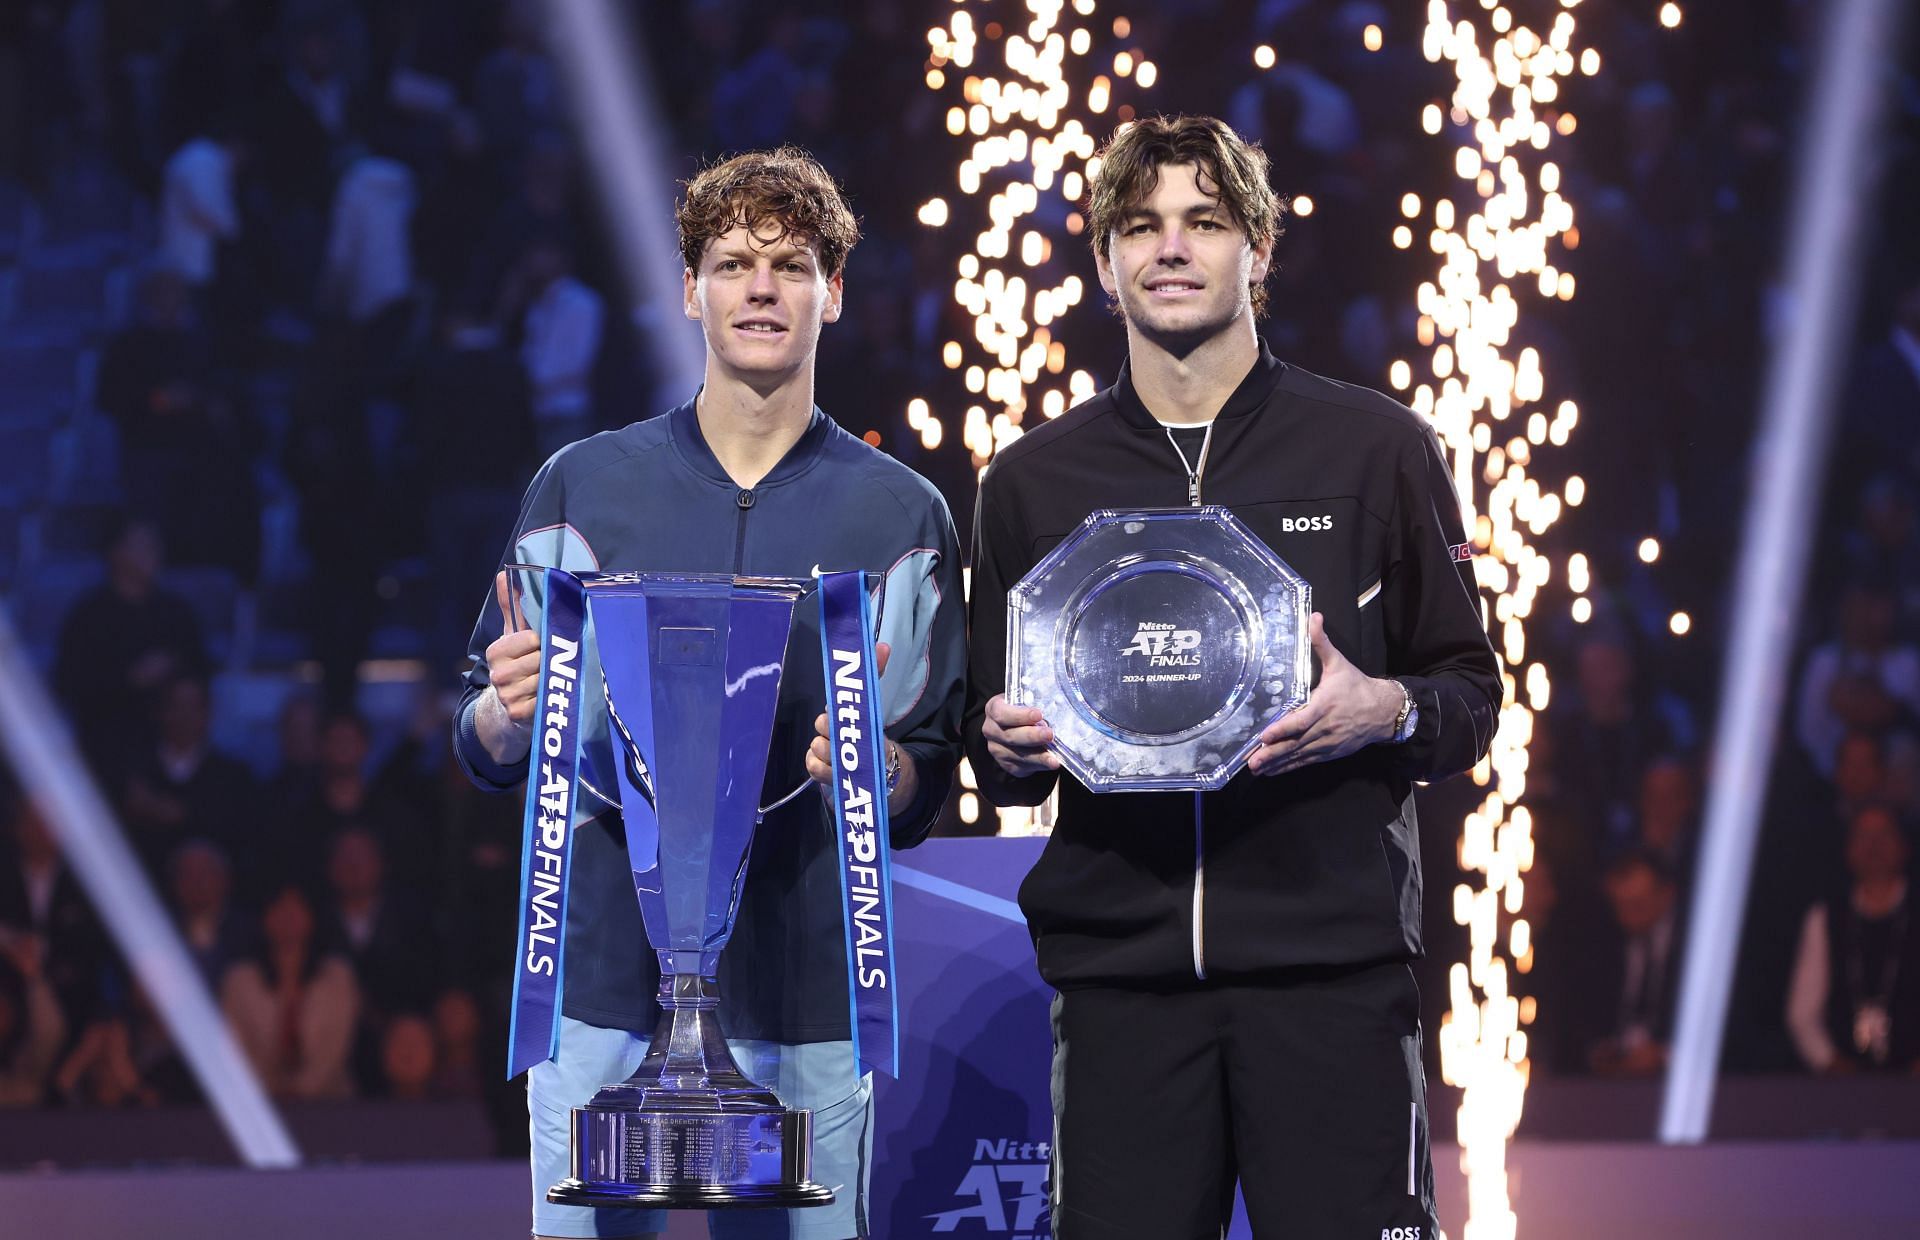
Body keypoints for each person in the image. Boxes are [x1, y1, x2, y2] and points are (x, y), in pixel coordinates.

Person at [964, 114, 1500, 1238]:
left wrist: (1382, 708)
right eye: (1141, 224)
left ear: (1258, 249)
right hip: (1123, 993)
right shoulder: (1029, 484)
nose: (1172, 248)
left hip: (1331, 981)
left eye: (1204, 222)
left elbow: (1469, 693)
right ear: (1105, 262)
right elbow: (994, 742)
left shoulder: (1378, 450)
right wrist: (1001, 745)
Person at [452, 146, 966, 1240]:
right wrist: (508, 706)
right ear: (690, 289)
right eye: (734, 262)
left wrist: (883, 765)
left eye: (791, 263)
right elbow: (485, 738)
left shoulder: (902, 515)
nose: (763, 287)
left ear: (833, 290)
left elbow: (927, 779)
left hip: (812, 989)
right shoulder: (583, 485)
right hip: (597, 986)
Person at [1785, 805, 1920, 1074]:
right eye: (1864, 837)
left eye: (1884, 835)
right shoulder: (1825, 916)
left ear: (1904, 847)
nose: (1874, 847)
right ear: (1848, 850)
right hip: (1843, 1086)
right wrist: (1829, 1061)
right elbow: (1801, 1013)